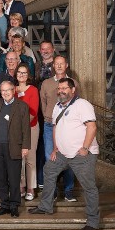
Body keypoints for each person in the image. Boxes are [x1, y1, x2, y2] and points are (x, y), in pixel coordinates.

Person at [29, 78, 100, 230]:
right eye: (59, 88)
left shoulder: (83, 105)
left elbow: (92, 127)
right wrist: (55, 148)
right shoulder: (57, 106)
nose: (60, 91)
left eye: (64, 88)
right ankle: (45, 206)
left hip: (81, 155)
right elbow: (55, 127)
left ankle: (93, 222)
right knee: (49, 170)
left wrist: (85, 148)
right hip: (62, 153)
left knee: (89, 187)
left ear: (73, 90)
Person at [0, 81, 31, 217]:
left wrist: (25, 146)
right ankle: (4, 205)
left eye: (8, 90)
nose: (5, 93)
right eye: (3, 91)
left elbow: (26, 128)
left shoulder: (22, 106)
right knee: (0, 178)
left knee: (14, 178)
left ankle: (14, 205)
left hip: (14, 146)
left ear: (14, 90)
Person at [39, 55, 80, 201]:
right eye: (56, 64)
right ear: (53, 66)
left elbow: (77, 102)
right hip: (50, 125)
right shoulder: (46, 83)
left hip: (68, 126)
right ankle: (53, 191)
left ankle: (69, 190)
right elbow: (43, 102)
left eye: (62, 63)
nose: (59, 66)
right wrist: (47, 116)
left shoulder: (73, 82)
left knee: (69, 157)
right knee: (50, 158)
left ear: (66, 65)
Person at [14, 63, 40, 201]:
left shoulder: (33, 90)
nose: (21, 75)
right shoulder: (13, 90)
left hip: (31, 127)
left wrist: (20, 125)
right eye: (19, 72)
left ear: (28, 75)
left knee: (30, 158)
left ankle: (31, 187)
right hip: (15, 130)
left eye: (24, 73)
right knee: (18, 158)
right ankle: (21, 186)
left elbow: (34, 111)